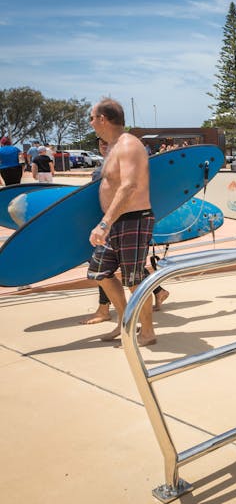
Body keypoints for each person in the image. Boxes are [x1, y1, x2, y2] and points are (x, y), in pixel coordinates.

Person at [86, 98, 157, 346]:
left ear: (103, 119)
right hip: (116, 221)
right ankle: (125, 322)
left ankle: (147, 332)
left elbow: (129, 187)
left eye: (92, 117)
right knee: (99, 272)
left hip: (133, 219)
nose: (91, 123)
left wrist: (104, 224)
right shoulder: (113, 146)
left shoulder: (128, 144)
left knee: (135, 279)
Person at [82, 138, 169, 325]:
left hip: (127, 223)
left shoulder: (128, 166)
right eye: (101, 144)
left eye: (108, 143)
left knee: (131, 274)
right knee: (102, 269)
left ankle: (138, 325)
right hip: (108, 226)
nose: (104, 146)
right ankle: (153, 294)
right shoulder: (100, 170)